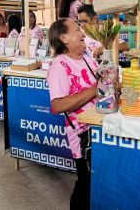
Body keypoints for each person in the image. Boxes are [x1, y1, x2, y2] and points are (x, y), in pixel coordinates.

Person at [47, 18, 97, 210]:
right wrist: (94, 89)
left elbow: (98, 86)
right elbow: (58, 105)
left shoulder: (87, 57)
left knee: (96, 182)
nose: (83, 33)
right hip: (83, 137)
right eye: (78, 29)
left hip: (99, 129)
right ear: (64, 37)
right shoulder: (59, 65)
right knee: (85, 184)